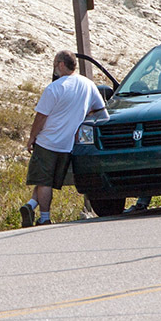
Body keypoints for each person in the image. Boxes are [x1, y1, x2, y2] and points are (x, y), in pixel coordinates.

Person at [20, 50, 109, 227]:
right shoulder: (88, 85)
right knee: (50, 181)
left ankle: (44, 217)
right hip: (68, 144)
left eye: (55, 65)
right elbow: (101, 112)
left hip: (47, 141)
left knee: (43, 181)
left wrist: (31, 138)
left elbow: (41, 117)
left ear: (61, 64)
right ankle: (30, 206)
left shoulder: (55, 88)